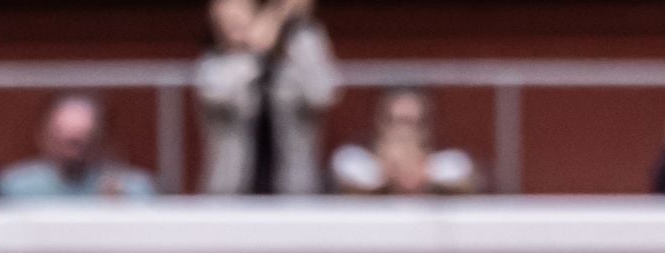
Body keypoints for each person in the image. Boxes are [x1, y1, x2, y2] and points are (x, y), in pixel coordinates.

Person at [195, 0, 339, 195]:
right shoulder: (213, 66)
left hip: (294, 192)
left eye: (238, 19)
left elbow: (323, 94)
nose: (231, 28)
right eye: (224, 22)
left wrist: (299, 31)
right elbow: (219, 93)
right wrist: (271, 24)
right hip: (232, 193)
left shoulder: (295, 55)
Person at [0, 93, 157, 199]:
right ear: (43, 137)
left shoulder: (132, 189)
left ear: (100, 139)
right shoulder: (15, 188)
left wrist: (120, 212)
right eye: (64, 141)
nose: (72, 152)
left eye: (80, 141)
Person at [330, 86, 478, 195]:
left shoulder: (449, 163)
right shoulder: (353, 160)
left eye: (411, 122)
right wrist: (387, 172)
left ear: (426, 129)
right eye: (397, 121)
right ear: (380, 123)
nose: (403, 132)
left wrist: (420, 172)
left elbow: (461, 172)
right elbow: (348, 172)